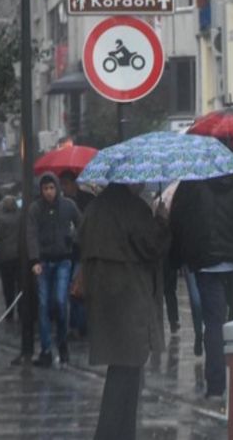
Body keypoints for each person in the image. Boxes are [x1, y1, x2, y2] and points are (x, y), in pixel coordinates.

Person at [78, 183, 172, 440]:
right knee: (129, 368)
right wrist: (162, 220)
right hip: (129, 294)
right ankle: (115, 432)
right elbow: (151, 245)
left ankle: (116, 432)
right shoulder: (134, 208)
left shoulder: (94, 208)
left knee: (120, 367)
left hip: (102, 295)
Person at [170, 171, 233, 401]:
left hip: (206, 262)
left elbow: (177, 219)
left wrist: (178, 257)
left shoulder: (192, 180)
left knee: (213, 324)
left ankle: (215, 387)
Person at [27, 172, 81, 367]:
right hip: (43, 262)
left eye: (51, 188)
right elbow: (31, 234)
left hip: (63, 260)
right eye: (45, 188)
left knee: (59, 301)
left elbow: (80, 225)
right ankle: (46, 349)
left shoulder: (68, 206)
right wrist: (34, 260)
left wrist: (73, 241)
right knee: (43, 305)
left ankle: (62, 343)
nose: (48, 192)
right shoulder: (36, 209)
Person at [59, 171, 95, 339]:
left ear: (73, 183)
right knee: (72, 292)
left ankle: (81, 326)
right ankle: (76, 325)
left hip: (83, 250)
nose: (63, 187)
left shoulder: (86, 199)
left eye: (65, 183)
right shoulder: (61, 202)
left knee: (79, 290)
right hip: (67, 252)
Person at [0, 196, 20, 322]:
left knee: (8, 286)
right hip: (19, 255)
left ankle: (9, 312)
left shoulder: (2, 219)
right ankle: (21, 311)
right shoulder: (21, 217)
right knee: (20, 285)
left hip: (5, 256)